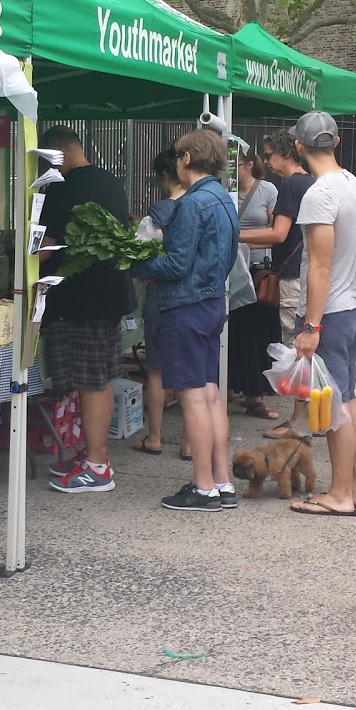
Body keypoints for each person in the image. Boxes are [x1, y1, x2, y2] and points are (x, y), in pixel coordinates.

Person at [131, 130, 239, 512]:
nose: (176, 162)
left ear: (188, 158)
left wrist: (138, 263)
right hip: (212, 302)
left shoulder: (192, 204)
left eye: (178, 156)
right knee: (210, 394)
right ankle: (221, 482)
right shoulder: (223, 199)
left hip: (186, 306)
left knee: (195, 396)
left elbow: (176, 263)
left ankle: (203, 487)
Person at [38, 125, 136, 494]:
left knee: (90, 381)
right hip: (110, 294)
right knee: (101, 377)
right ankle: (93, 456)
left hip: (82, 298)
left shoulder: (62, 189)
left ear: (57, 152)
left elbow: (45, 247)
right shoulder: (110, 180)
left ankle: (96, 465)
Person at [286, 111, 356, 518]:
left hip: (332, 312)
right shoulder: (352, 183)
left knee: (336, 405)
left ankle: (339, 494)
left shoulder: (319, 194)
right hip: (351, 307)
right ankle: (354, 488)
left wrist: (311, 326)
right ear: (336, 143)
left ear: (299, 147)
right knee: (349, 401)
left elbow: (319, 266)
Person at [239, 133, 313, 439]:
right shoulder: (311, 181)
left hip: (293, 276)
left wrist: (235, 234)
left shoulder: (292, 185)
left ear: (286, 154)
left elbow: (279, 234)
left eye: (269, 155)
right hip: (304, 271)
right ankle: (307, 417)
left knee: (298, 349)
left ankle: (298, 422)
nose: (266, 162)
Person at [129, 149, 186, 457]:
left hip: (161, 294)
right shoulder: (200, 203)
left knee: (156, 370)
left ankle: (154, 438)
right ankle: (190, 444)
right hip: (193, 299)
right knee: (193, 373)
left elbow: (143, 249)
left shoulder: (162, 208)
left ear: (166, 176)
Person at [230, 144, 281, 421]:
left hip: (259, 272)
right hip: (232, 270)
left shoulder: (268, 191)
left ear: (249, 165)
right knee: (235, 332)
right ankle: (232, 385)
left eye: (235, 165)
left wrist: (240, 237)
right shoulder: (224, 191)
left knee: (256, 333)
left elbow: (276, 233)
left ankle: (255, 395)